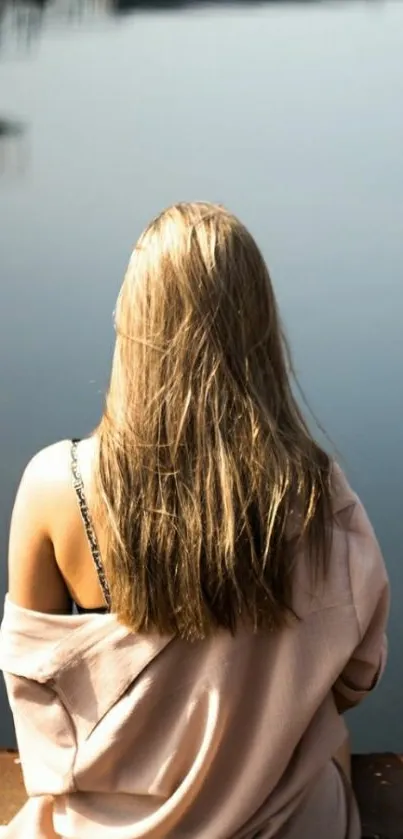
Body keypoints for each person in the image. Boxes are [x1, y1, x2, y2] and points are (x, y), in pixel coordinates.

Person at [0, 203, 389, 839]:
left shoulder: (54, 486)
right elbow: (356, 676)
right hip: (291, 822)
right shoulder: (318, 493)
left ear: (131, 319)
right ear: (260, 327)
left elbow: (39, 702)